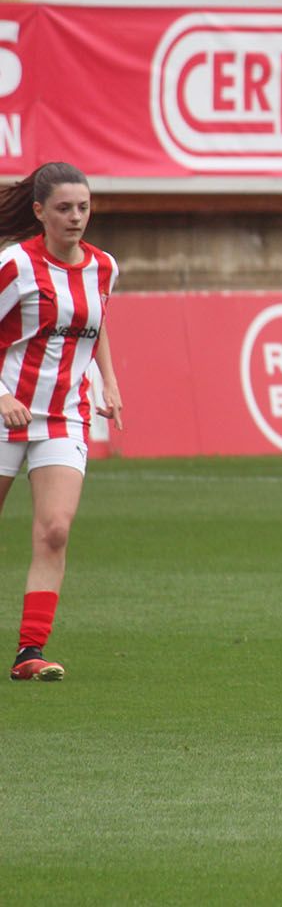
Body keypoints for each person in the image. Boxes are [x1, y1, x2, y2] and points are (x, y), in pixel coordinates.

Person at [2, 163, 124, 682]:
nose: (76, 218)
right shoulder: (15, 266)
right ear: (39, 212)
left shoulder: (104, 267)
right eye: (64, 209)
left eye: (83, 207)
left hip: (64, 417)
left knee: (54, 531)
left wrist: (110, 383)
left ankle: (30, 652)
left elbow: (95, 327)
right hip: (7, 413)